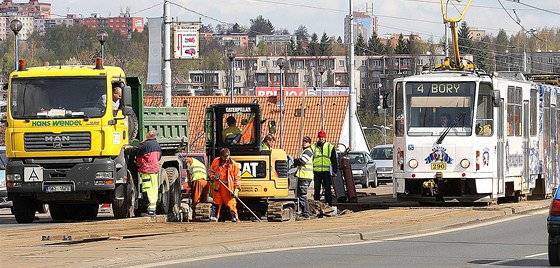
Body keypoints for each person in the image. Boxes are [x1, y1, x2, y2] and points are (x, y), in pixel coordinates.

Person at [125, 129, 161, 216]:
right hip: (154, 170)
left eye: (147, 133)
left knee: (146, 189)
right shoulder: (157, 145)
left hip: (147, 170)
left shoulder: (146, 144)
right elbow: (159, 157)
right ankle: (152, 209)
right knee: (154, 189)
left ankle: (149, 210)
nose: (146, 134)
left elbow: (136, 151)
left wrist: (126, 150)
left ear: (150, 135)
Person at [208, 148, 241, 222]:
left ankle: (234, 217)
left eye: (227, 157)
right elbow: (210, 171)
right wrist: (213, 177)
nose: (226, 159)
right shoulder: (216, 161)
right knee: (216, 203)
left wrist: (237, 189)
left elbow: (237, 178)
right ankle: (213, 218)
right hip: (218, 187)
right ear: (221, 156)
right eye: (224, 157)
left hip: (228, 189)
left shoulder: (233, 164)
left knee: (231, 203)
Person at [311, 130, 338, 206]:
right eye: (320, 137)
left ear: (325, 138)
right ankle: (316, 205)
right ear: (318, 137)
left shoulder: (330, 147)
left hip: (326, 172)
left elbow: (333, 159)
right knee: (317, 190)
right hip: (317, 172)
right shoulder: (314, 147)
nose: (321, 139)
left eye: (322, 137)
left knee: (327, 189)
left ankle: (329, 204)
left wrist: (334, 171)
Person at [293, 136, 313, 219]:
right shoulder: (305, 151)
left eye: (306, 141)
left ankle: (305, 213)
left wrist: (296, 160)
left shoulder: (308, 151)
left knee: (302, 195)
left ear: (309, 142)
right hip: (302, 175)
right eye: (303, 141)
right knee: (299, 194)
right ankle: (302, 211)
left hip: (305, 176)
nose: (304, 143)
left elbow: (302, 161)